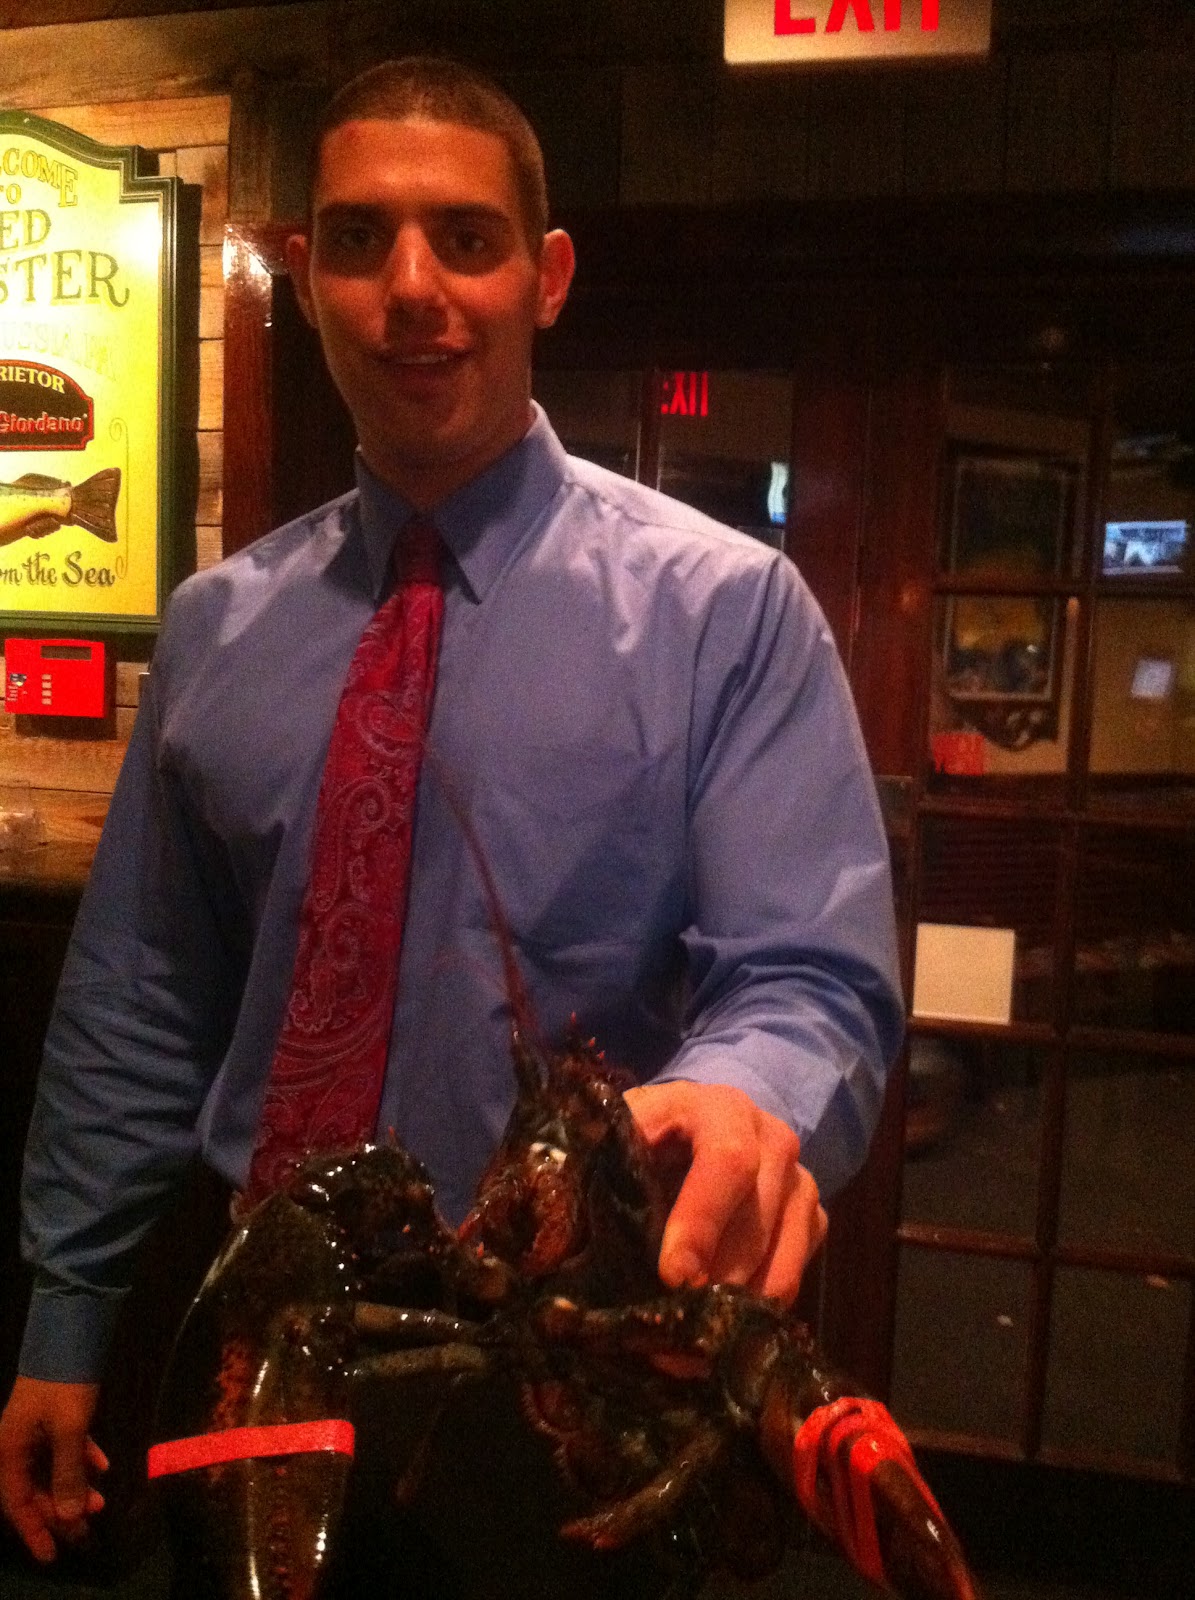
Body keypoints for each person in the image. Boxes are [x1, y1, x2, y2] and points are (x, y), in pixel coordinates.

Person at [0, 56, 903, 1576]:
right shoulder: (215, 628)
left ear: (547, 277)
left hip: (571, 1350)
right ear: (306, 277)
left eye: (465, 240)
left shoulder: (726, 611)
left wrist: (748, 1096)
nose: (412, 288)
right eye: (361, 239)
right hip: (255, 1328)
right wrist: (63, 1316)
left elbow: (809, 979)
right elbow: (141, 1000)